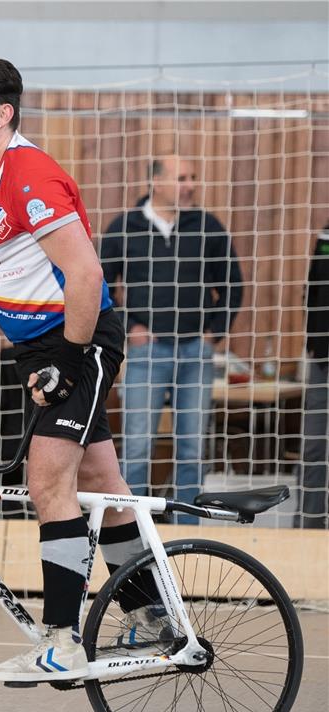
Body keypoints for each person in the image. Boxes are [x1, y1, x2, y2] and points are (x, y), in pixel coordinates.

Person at [0, 57, 163, 682]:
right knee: (103, 483)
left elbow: (86, 275)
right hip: (33, 345)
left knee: (48, 478)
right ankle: (156, 615)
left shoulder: (31, 175)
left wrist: (68, 359)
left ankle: (65, 640)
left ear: (3, 114)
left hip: (79, 336)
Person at [100, 156, 243, 522]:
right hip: (148, 354)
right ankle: (131, 537)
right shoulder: (126, 226)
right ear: (157, 183)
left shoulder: (207, 226)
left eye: (193, 177)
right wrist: (130, 326)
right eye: (181, 178)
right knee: (136, 450)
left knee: (192, 451)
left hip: (196, 352)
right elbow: (100, 285)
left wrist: (214, 334)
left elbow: (232, 284)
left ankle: (187, 537)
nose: (190, 185)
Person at [295, 223, 329, 528]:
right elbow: (313, 290)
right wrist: (315, 343)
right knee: (314, 446)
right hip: (323, 359)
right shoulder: (326, 236)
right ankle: (309, 524)